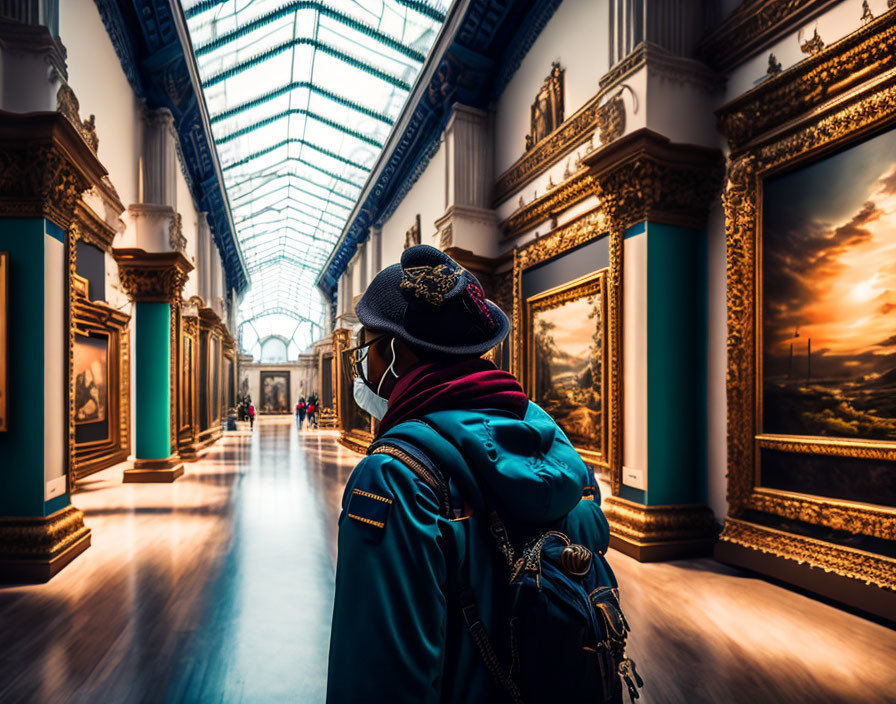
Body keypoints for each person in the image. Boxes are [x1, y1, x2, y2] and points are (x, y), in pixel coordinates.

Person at [327, 245, 617, 703]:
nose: (365, 362)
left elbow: (379, 677)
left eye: (369, 345)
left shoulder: (392, 477)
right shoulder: (550, 439)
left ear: (398, 353)